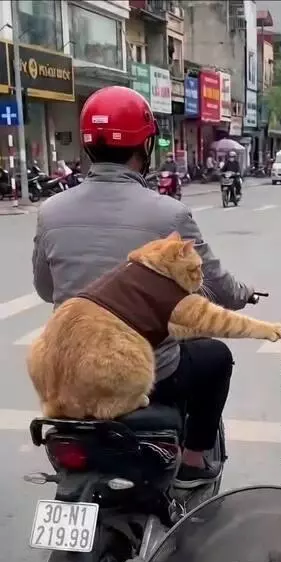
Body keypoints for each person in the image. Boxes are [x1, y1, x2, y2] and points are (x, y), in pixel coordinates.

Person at [32, 86, 254, 488]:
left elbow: (47, 291)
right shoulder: (169, 212)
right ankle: (193, 461)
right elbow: (217, 288)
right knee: (216, 357)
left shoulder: (50, 211)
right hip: (145, 373)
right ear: (144, 145)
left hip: (71, 376)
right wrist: (244, 294)